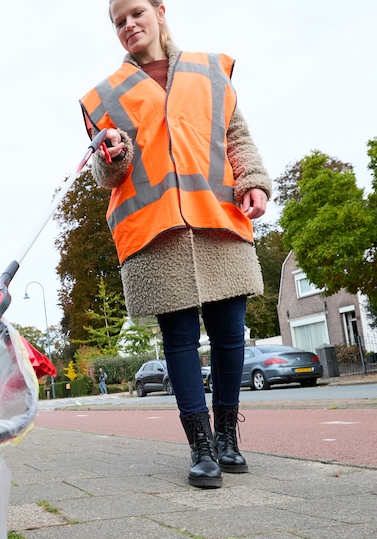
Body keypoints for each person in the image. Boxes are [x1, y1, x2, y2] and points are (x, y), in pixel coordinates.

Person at [80, 0, 271, 489]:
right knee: (179, 342)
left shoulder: (211, 70)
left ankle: (228, 435)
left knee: (231, 337)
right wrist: (113, 155)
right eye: (118, 21)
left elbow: (237, 135)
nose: (129, 25)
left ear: (160, 10)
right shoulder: (105, 96)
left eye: (136, 13)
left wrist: (252, 180)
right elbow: (106, 174)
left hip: (217, 217)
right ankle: (200, 447)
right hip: (158, 231)